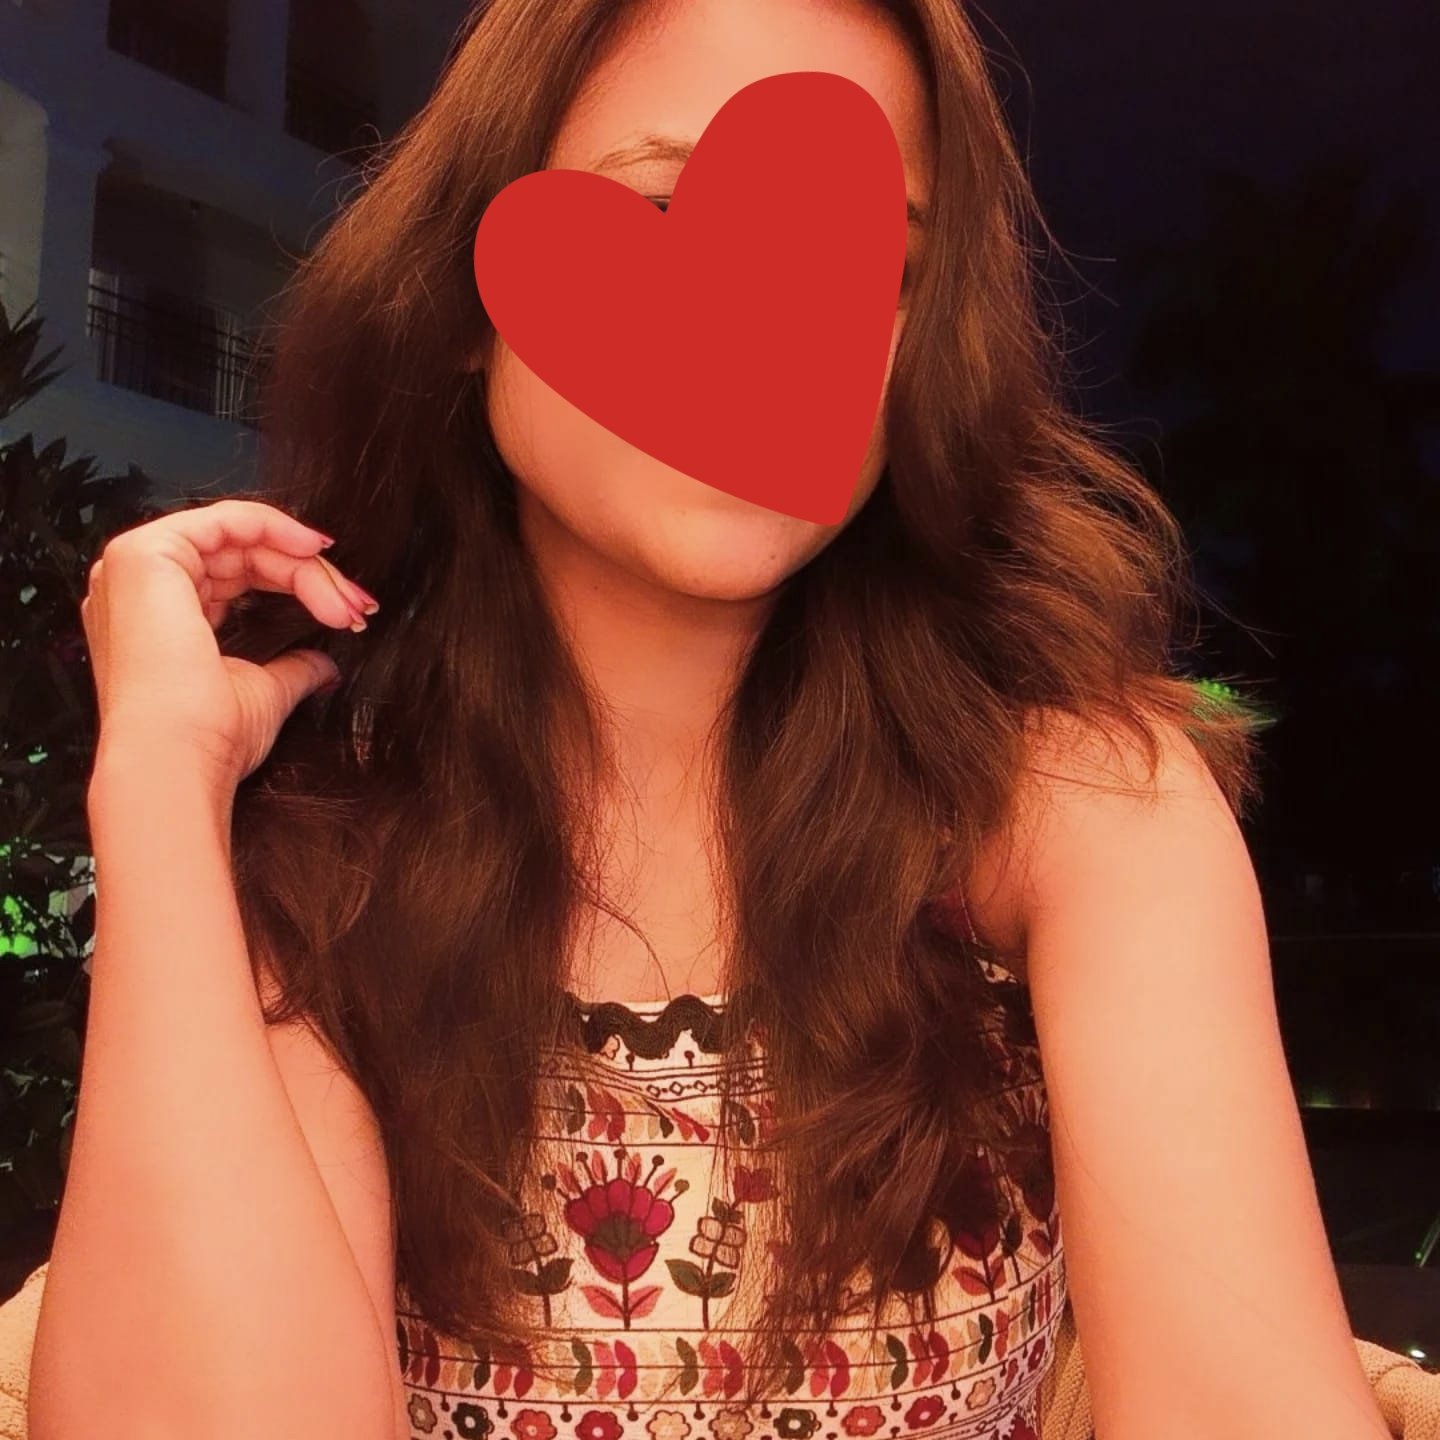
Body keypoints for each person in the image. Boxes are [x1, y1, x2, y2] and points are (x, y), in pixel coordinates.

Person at [27, 1, 1394, 1438]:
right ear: (464, 308)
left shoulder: (1076, 806)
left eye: (869, 259)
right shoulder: (319, 841)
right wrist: (160, 787)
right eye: (668, 210)